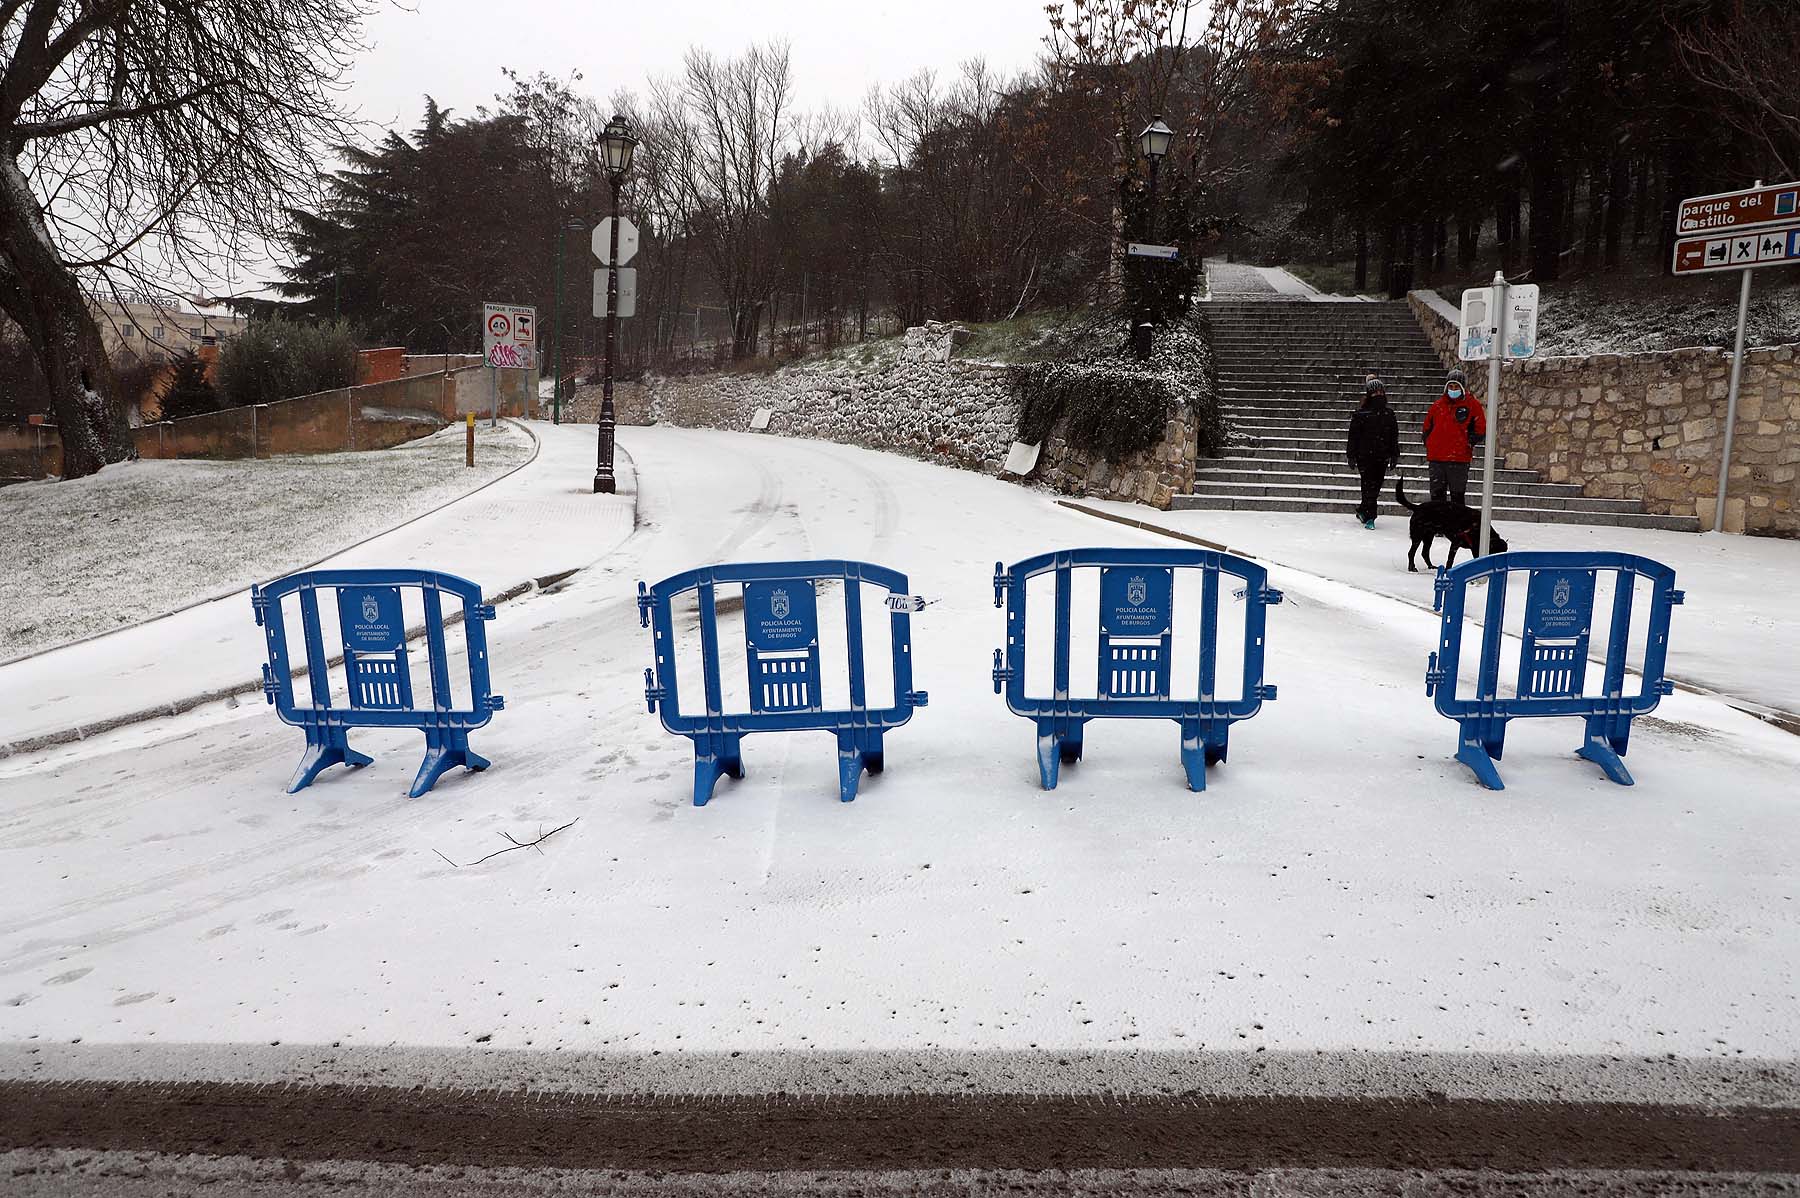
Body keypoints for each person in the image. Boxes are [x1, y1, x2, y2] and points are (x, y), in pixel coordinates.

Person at [1421, 368, 1486, 505]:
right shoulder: (1437, 405)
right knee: (1437, 499)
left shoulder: (1472, 405)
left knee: (1457, 499)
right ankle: (1438, 525)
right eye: (1450, 386)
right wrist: (1430, 443)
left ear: (1462, 387)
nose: (1453, 389)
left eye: (1456, 386)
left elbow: (1480, 428)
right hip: (1437, 459)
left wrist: (1468, 441)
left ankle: (1456, 526)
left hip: (1459, 459)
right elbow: (1427, 427)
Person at [1346, 376, 1399, 529]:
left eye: (1380, 392)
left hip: (1381, 456)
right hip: (1365, 456)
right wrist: (1351, 455)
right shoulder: (1361, 414)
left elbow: (1393, 436)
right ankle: (1371, 516)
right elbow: (1353, 436)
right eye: (1375, 392)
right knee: (1368, 485)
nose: (1378, 395)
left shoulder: (1389, 414)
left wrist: (1394, 454)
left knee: (1375, 486)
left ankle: (1364, 510)